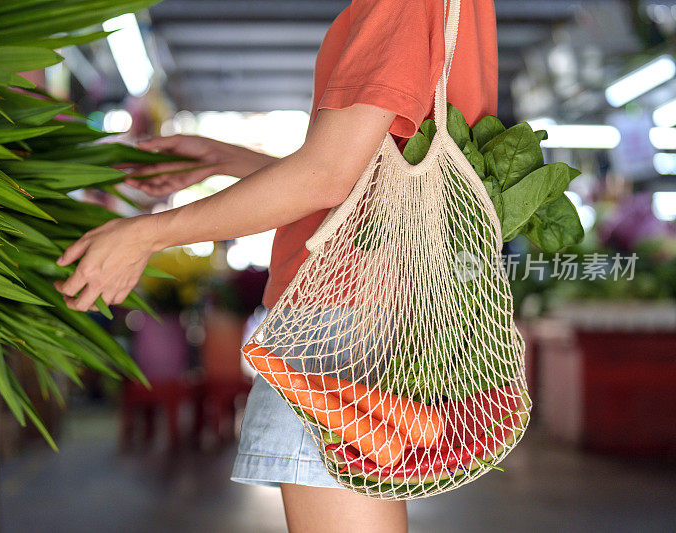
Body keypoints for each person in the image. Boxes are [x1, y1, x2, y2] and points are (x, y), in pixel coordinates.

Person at [54, 0, 497, 530]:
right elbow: (362, 186)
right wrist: (224, 159)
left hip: (342, 318)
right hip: (383, 308)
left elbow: (328, 177)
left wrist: (148, 232)